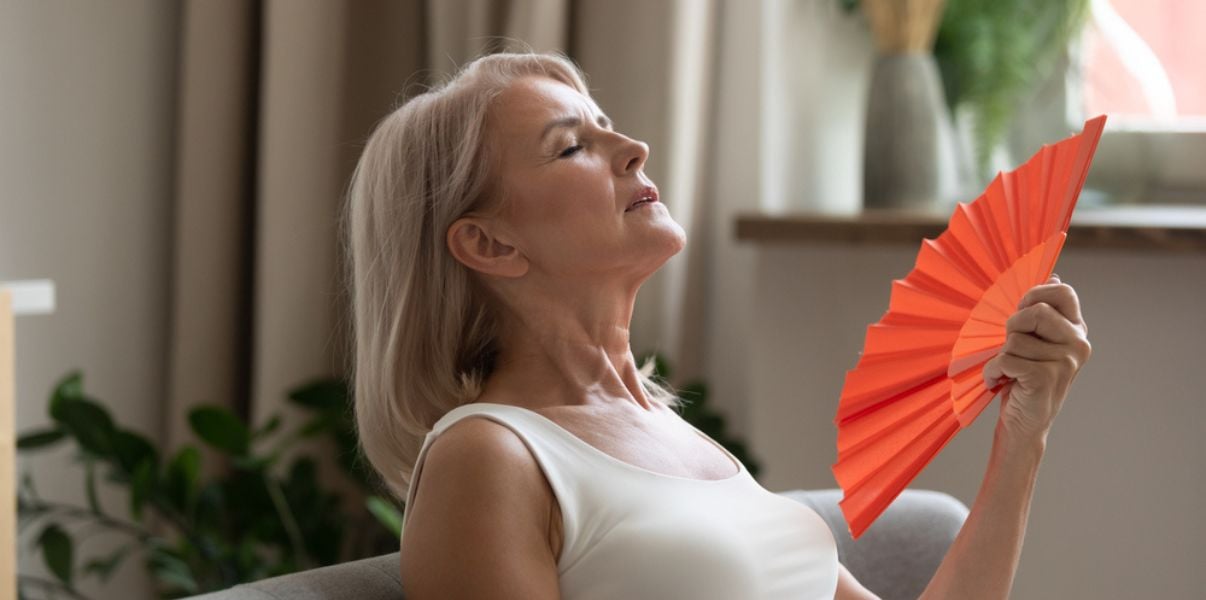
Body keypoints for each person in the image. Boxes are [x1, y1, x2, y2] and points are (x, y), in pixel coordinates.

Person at [344, 51, 1093, 600]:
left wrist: (1023, 435)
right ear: (490, 244)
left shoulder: (682, 444)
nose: (632, 147)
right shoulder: (490, 458)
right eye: (572, 146)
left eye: (607, 127)